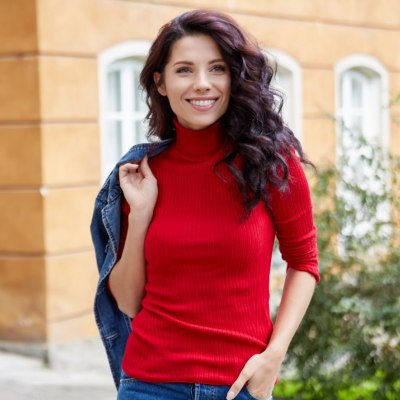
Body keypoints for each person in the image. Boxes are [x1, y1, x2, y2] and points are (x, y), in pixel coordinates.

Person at [90, 9, 319, 400]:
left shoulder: (271, 164)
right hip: (149, 384)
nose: (202, 84)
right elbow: (128, 302)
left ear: (234, 77)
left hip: (240, 385)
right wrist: (142, 214)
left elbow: (305, 262)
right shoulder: (141, 173)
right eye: (184, 70)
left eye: (217, 68)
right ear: (160, 83)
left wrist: (274, 355)